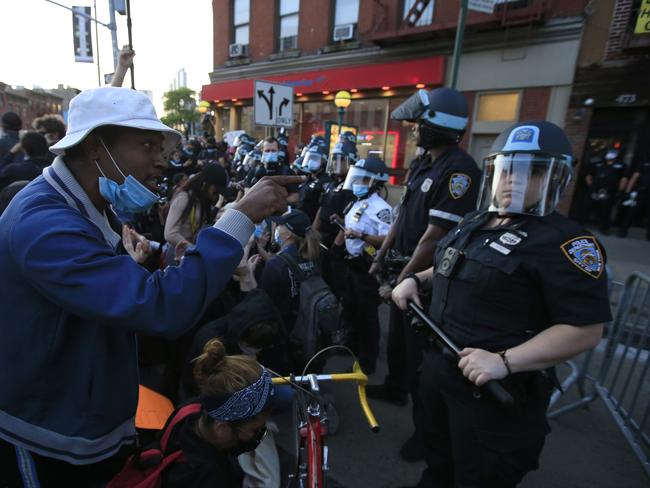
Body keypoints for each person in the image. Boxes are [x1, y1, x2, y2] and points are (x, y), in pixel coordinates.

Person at [0, 86, 301, 485]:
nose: (160, 162)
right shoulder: (44, 224)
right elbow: (158, 306)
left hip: (81, 426)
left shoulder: (82, 207)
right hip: (49, 440)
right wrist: (239, 216)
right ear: (95, 147)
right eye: (147, 146)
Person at [391, 121, 610, 488]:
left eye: (531, 170)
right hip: (440, 371)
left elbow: (585, 330)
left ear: (555, 178)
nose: (513, 179)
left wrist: (504, 362)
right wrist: (418, 279)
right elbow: (450, 263)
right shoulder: (477, 220)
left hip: (491, 393)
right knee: (438, 463)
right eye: (507, 168)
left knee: (478, 477)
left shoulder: (567, 244)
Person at [367, 87, 480, 413]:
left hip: (427, 278)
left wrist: (402, 280)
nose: (413, 128)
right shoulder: (422, 163)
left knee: (420, 353)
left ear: (437, 124)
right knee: (399, 341)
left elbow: (433, 237)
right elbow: (402, 215)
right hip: (403, 269)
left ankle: (425, 428)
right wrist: (381, 255)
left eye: (418, 122)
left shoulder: (460, 170)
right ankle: (395, 388)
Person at [162, 338, 275, 487]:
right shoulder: (212, 478)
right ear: (221, 428)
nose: (260, 434)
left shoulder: (190, 409)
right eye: (254, 430)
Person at [335, 157, 392, 374]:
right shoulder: (356, 203)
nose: (358, 183)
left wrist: (362, 235)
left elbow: (387, 241)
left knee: (367, 316)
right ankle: (351, 347)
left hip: (367, 268)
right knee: (351, 308)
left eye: (364, 179)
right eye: (357, 178)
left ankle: (367, 362)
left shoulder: (381, 209)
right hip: (351, 264)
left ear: (376, 182)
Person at [258, 209, 321, 366]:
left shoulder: (276, 265)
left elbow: (262, 302)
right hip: (308, 327)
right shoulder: (314, 256)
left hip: (283, 333)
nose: (276, 229)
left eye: (279, 226)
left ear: (288, 234)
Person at [164, 163, 230, 252]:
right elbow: (170, 234)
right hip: (176, 252)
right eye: (215, 190)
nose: (216, 194)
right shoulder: (183, 197)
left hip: (189, 250)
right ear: (206, 183)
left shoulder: (200, 200)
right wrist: (195, 250)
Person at [584, 149, 627, 234]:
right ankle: (581, 224)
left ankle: (604, 228)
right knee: (587, 207)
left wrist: (620, 191)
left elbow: (623, 178)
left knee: (606, 211)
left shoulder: (621, 165)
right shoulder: (598, 164)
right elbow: (589, 175)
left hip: (609, 191)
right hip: (595, 190)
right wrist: (591, 185)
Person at [298, 138, 332, 222]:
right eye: (310, 158)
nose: (311, 161)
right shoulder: (309, 178)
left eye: (315, 158)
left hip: (312, 222)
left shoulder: (326, 180)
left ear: (324, 161)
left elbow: (323, 207)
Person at [617, 152, 650, 239]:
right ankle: (623, 230)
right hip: (641, 191)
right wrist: (628, 191)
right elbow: (634, 177)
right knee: (631, 213)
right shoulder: (644, 163)